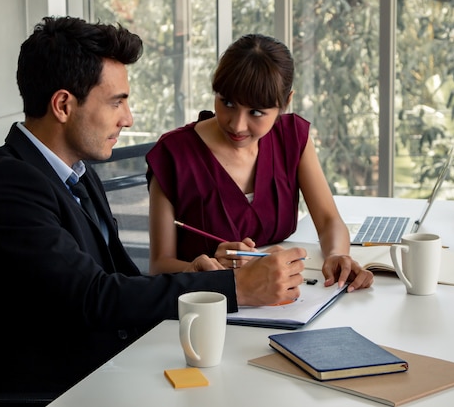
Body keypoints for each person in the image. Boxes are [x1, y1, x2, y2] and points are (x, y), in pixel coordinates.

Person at [0, 17, 306, 397]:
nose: (128, 118)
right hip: (64, 393)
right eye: (116, 102)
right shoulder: (7, 185)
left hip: (112, 369)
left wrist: (199, 273)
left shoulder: (76, 174)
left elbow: (121, 281)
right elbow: (94, 297)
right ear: (62, 105)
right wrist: (235, 286)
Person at [146, 34, 373, 293]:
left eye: (256, 112)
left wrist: (335, 255)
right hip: (209, 307)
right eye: (227, 103)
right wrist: (199, 268)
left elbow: (329, 220)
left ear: (285, 102)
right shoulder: (172, 154)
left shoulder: (292, 138)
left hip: (288, 296)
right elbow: (159, 266)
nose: (236, 124)